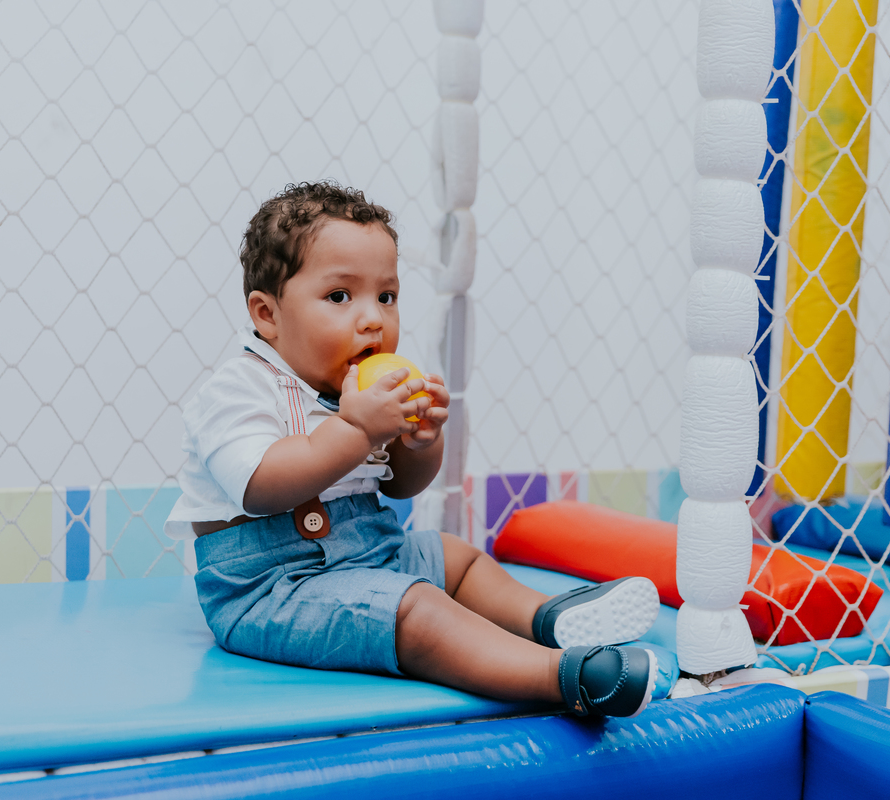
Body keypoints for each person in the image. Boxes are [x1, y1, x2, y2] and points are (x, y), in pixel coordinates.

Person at [165, 181, 661, 717]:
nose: (373, 317)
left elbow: (399, 485)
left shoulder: (358, 389)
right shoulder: (238, 389)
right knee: (416, 609)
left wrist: (420, 442)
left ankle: (548, 617)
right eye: (339, 296)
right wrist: (357, 431)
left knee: (455, 557)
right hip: (273, 586)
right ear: (267, 315)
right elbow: (261, 487)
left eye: (387, 296)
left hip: (370, 550)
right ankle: (566, 677)